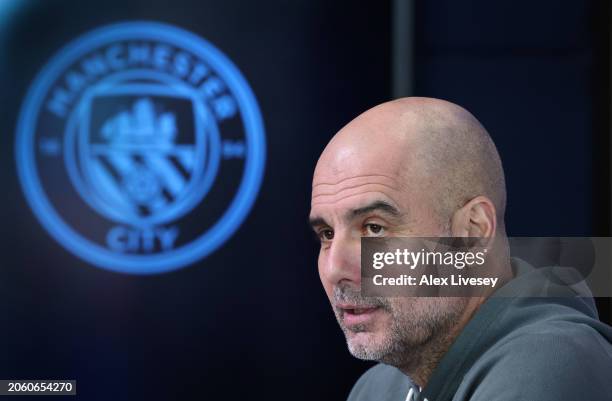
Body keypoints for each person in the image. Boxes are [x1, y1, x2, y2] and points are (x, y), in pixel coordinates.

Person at [308, 97, 612, 401]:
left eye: (375, 228)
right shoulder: (376, 389)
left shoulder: (548, 365)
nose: (336, 269)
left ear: (473, 232)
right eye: (327, 233)